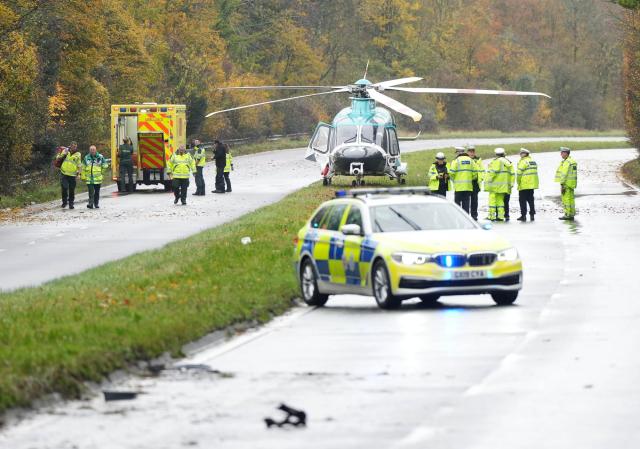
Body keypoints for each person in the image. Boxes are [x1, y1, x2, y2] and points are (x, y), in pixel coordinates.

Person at [485, 148, 511, 221]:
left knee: (492, 201)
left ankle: (492, 216)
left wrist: (488, 180)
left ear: (496, 154)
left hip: (494, 185)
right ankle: (500, 216)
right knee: (500, 201)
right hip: (503, 186)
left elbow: (493, 172)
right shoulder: (507, 162)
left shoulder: (497, 161)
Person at [449, 146, 476, 214]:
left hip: (458, 187)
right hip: (468, 187)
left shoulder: (456, 161)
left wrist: (454, 180)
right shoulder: (471, 160)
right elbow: (475, 174)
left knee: (457, 205)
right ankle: (466, 219)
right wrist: (469, 179)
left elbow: (451, 173)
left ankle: (458, 219)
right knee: (466, 204)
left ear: (458, 153)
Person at [56, 141, 82, 209]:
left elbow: (79, 165)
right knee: (64, 188)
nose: (74, 148)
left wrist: (79, 174)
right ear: (70, 146)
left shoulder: (78, 154)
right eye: (73, 146)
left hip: (72, 175)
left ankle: (71, 203)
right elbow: (58, 158)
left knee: (71, 189)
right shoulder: (65, 150)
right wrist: (63, 154)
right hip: (64, 173)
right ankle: (64, 202)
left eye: (75, 146)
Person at [555, 147, 578, 220]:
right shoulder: (572, 161)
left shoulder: (567, 162)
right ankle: (572, 213)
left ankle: (567, 214)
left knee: (566, 199)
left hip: (566, 184)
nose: (561, 154)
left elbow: (564, 174)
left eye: (562, 152)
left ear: (566, 153)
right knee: (571, 199)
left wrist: (562, 184)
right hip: (572, 184)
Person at [516, 148, 539, 222]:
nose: (520, 155)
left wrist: (518, 182)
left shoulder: (523, 162)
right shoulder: (533, 161)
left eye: (521, 153)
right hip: (532, 184)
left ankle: (523, 216)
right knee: (531, 200)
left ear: (525, 154)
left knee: (522, 201)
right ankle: (532, 215)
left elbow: (519, 174)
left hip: (524, 184)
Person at [467, 145, 483, 221]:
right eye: (470, 151)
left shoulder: (478, 160)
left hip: (475, 182)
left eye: (473, 151)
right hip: (467, 182)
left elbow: (482, 170)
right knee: (466, 200)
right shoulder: (465, 159)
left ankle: (474, 215)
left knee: (474, 200)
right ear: (467, 152)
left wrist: (481, 178)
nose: (472, 153)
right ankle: (466, 215)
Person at [503, 153, 516, 221]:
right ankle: (506, 215)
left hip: (500, 186)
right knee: (506, 202)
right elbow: (513, 174)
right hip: (507, 186)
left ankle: (501, 215)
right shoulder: (509, 163)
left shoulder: (496, 162)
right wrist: (511, 184)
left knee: (501, 201)